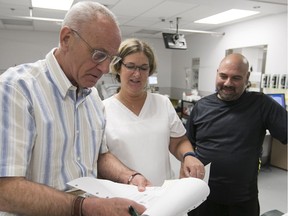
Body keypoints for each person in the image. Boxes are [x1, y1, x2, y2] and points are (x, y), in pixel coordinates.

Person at [0, 2, 151, 216]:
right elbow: (5, 189)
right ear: (66, 39)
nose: (105, 68)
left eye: (111, 58)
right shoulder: (17, 89)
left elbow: (100, 156)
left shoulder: (92, 96)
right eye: (99, 54)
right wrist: (82, 207)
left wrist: (130, 177)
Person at [185, 53, 287, 216]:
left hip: (241, 201)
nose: (228, 83)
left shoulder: (261, 104)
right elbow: (187, 145)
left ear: (247, 78)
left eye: (236, 78)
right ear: (217, 73)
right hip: (201, 197)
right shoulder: (201, 106)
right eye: (223, 76)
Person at [103, 38, 205, 186]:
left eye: (144, 68)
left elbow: (179, 141)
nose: (137, 74)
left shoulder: (162, 103)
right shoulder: (103, 109)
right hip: (124, 196)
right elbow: (102, 158)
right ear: (118, 67)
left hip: (162, 194)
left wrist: (188, 155)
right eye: (130, 66)